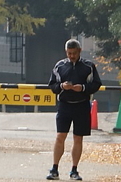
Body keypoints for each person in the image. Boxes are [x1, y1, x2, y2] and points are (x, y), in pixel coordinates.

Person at [46, 39, 101, 181]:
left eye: (74, 53)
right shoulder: (60, 66)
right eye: (69, 53)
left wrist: (82, 88)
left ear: (80, 51)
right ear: (66, 52)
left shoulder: (88, 66)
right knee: (60, 136)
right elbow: (52, 85)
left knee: (78, 138)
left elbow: (96, 84)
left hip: (82, 105)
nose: (72, 56)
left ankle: (74, 170)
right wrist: (62, 86)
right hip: (65, 105)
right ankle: (54, 168)